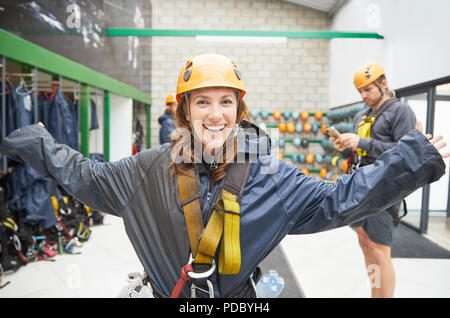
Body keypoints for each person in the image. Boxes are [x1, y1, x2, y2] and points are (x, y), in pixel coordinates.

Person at [0, 54, 447, 298]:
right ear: (186, 111)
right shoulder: (149, 168)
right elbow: (85, 177)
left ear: (239, 110)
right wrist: (31, 140)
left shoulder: (271, 176)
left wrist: (412, 158)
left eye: (226, 102)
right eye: (202, 103)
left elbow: (341, 198)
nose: (215, 114)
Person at [330, 62, 418, 298]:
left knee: (380, 251)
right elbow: (358, 151)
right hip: (358, 188)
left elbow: (405, 152)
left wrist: (363, 144)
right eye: (360, 91)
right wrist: (343, 147)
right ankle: (375, 293)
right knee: (365, 244)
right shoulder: (361, 115)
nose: (363, 95)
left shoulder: (400, 112)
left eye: (367, 89)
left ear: (383, 83)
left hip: (384, 190)